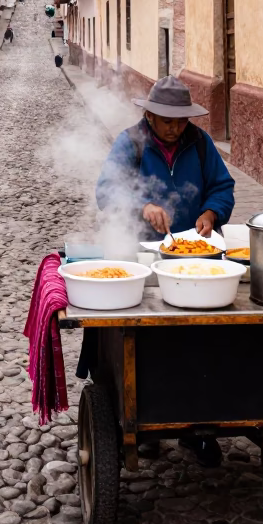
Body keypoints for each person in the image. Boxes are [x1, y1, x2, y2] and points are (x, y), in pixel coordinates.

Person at [95, 76, 235, 467]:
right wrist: (143, 206)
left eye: (180, 120)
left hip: (196, 260)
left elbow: (223, 187)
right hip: (143, 258)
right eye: (166, 120)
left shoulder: (201, 143)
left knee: (204, 340)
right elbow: (106, 190)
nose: (174, 127)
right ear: (150, 115)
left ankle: (200, 429)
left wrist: (211, 212)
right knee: (148, 340)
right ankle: (146, 425)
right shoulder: (131, 142)